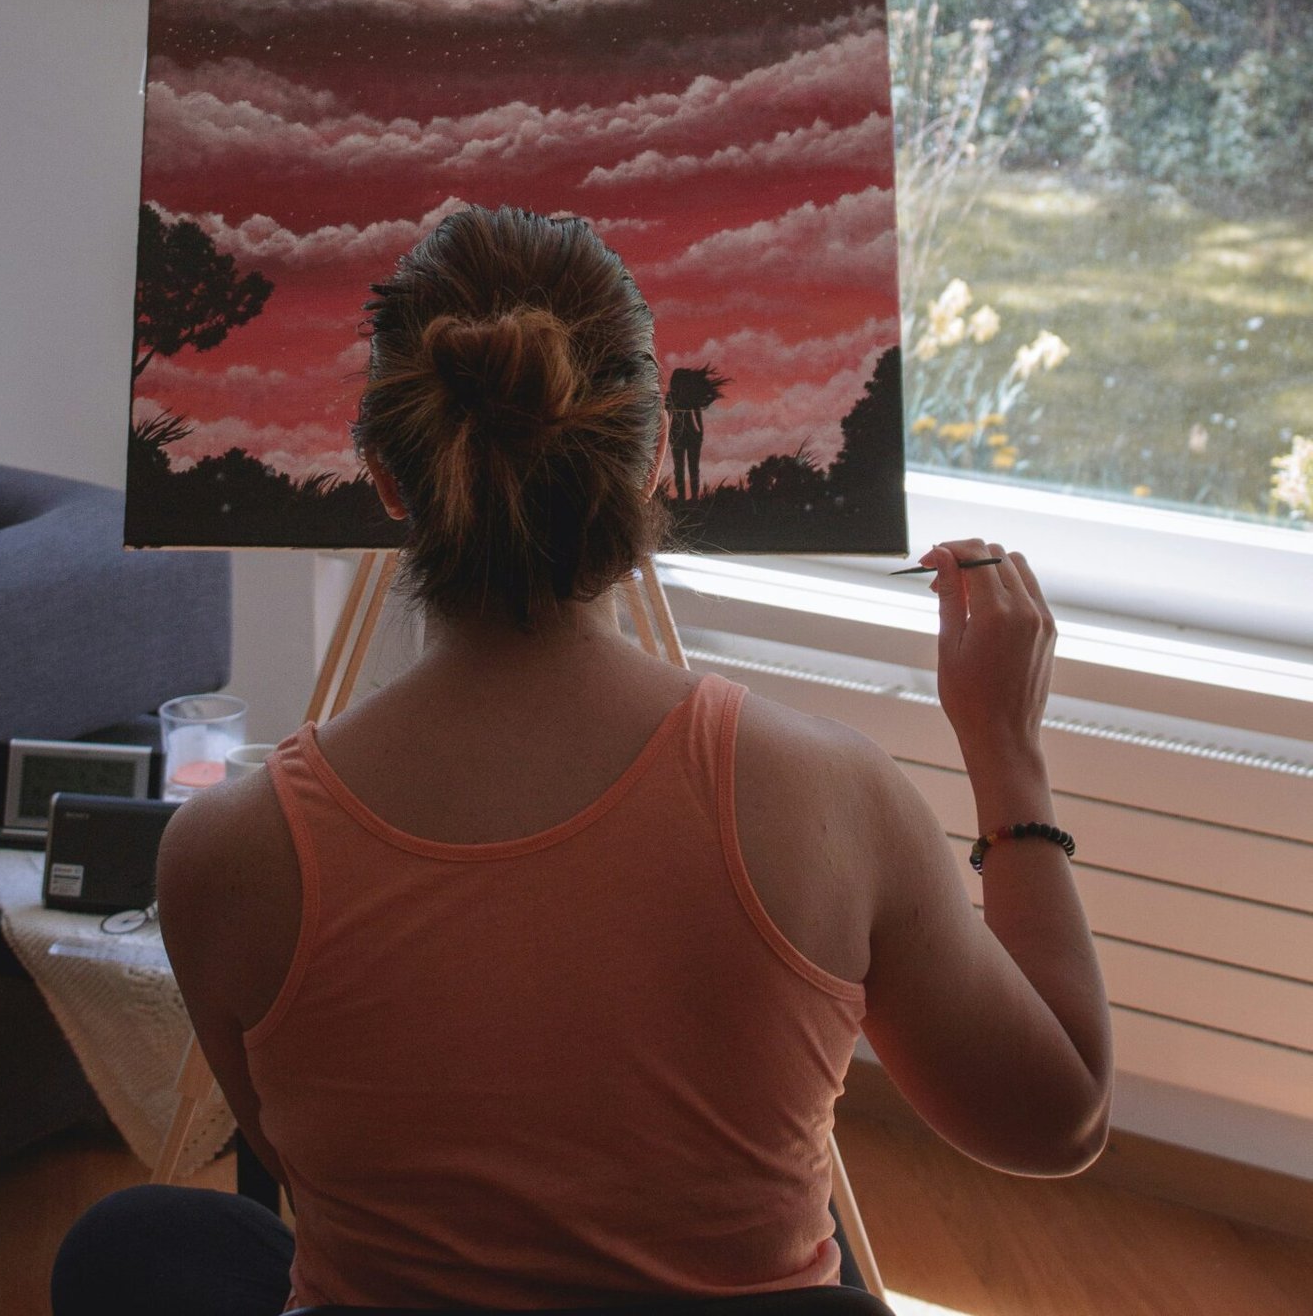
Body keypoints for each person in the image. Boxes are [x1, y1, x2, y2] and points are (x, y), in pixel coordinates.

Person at [54, 205, 1111, 1316]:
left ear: (386, 477)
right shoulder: (829, 798)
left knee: (140, 1245)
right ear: (654, 460)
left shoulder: (225, 856)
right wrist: (1005, 748)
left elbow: (299, 1164)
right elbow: (1060, 1121)